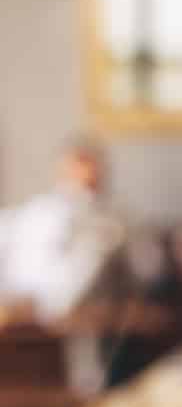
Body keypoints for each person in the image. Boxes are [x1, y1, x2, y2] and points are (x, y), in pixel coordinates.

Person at [0, 137, 125, 321]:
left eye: (91, 169)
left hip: (79, 313)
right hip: (30, 307)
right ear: (62, 170)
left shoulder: (115, 221)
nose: (85, 175)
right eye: (77, 167)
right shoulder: (37, 213)